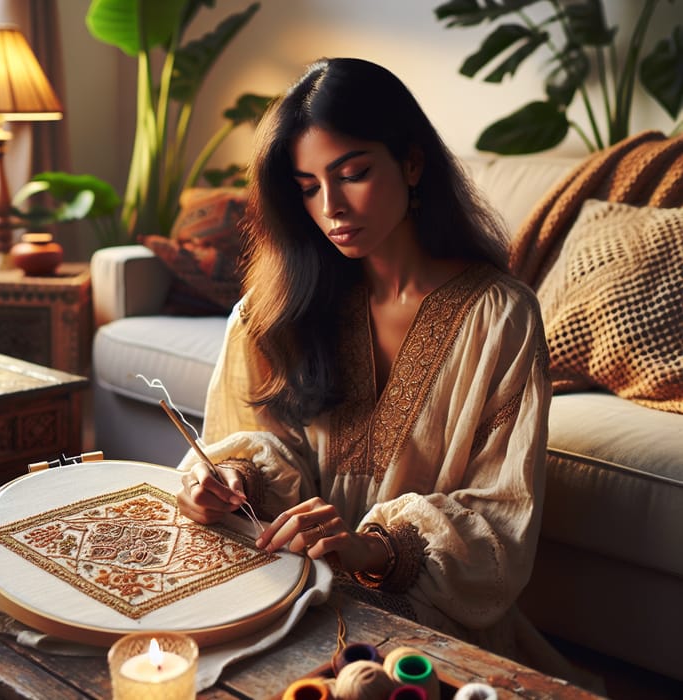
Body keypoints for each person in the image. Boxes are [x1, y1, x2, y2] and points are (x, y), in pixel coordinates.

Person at [176, 57, 581, 681]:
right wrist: (229, 480)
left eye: (354, 174)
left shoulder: (500, 317)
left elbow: (502, 521)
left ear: (412, 163)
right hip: (285, 587)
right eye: (308, 186)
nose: (331, 206)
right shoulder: (276, 311)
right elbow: (257, 440)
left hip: (421, 617)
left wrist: (374, 549)